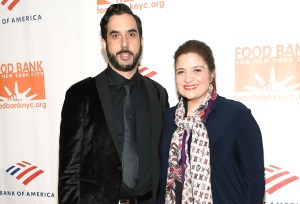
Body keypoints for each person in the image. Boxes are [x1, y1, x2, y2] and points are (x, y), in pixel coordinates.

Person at [58, 3, 169, 204]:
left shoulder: (158, 94)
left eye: (131, 35)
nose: (124, 43)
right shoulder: (80, 94)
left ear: (141, 41)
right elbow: (69, 173)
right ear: (104, 43)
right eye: (115, 35)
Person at [157, 40, 265, 203]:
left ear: (211, 73)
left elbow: (255, 181)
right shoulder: (168, 118)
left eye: (197, 70)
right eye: (181, 72)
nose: (188, 78)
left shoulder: (237, 115)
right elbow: (163, 179)